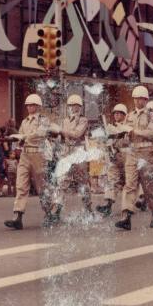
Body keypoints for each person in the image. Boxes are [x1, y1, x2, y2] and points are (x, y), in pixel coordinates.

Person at [115, 86, 153, 231]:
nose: (137, 101)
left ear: (146, 100)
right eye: (135, 98)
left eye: (140, 98)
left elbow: (150, 132)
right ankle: (126, 216)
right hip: (132, 151)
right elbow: (126, 135)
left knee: (148, 185)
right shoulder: (129, 115)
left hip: (146, 152)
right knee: (130, 185)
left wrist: (134, 131)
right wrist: (118, 136)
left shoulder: (152, 115)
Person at [5, 94, 51, 230]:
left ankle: (49, 214)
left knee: (42, 187)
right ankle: (17, 216)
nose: (30, 107)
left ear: (38, 106)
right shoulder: (25, 122)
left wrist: (24, 137)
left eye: (32, 105)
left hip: (38, 154)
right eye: (28, 105)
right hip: (25, 154)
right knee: (21, 185)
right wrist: (15, 139)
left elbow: (40, 134)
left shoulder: (43, 120)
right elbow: (21, 136)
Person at [51, 93, 91, 223]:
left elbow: (77, 134)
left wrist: (61, 131)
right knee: (61, 182)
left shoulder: (83, 120)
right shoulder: (64, 120)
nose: (74, 108)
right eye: (72, 106)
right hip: (66, 153)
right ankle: (56, 210)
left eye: (76, 106)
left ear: (80, 107)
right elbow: (61, 138)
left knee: (83, 183)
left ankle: (88, 208)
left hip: (78, 152)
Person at [96, 103, 129, 217]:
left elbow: (128, 142)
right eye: (115, 113)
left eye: (119, 113)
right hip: (115, 158)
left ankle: (140, 201)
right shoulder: (111, 127)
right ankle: (108, 205)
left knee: (130, 182)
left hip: (127, 158)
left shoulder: (128, 126)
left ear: (124, 115)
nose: (117, 115)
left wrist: (116, 138)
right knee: (112, 181)